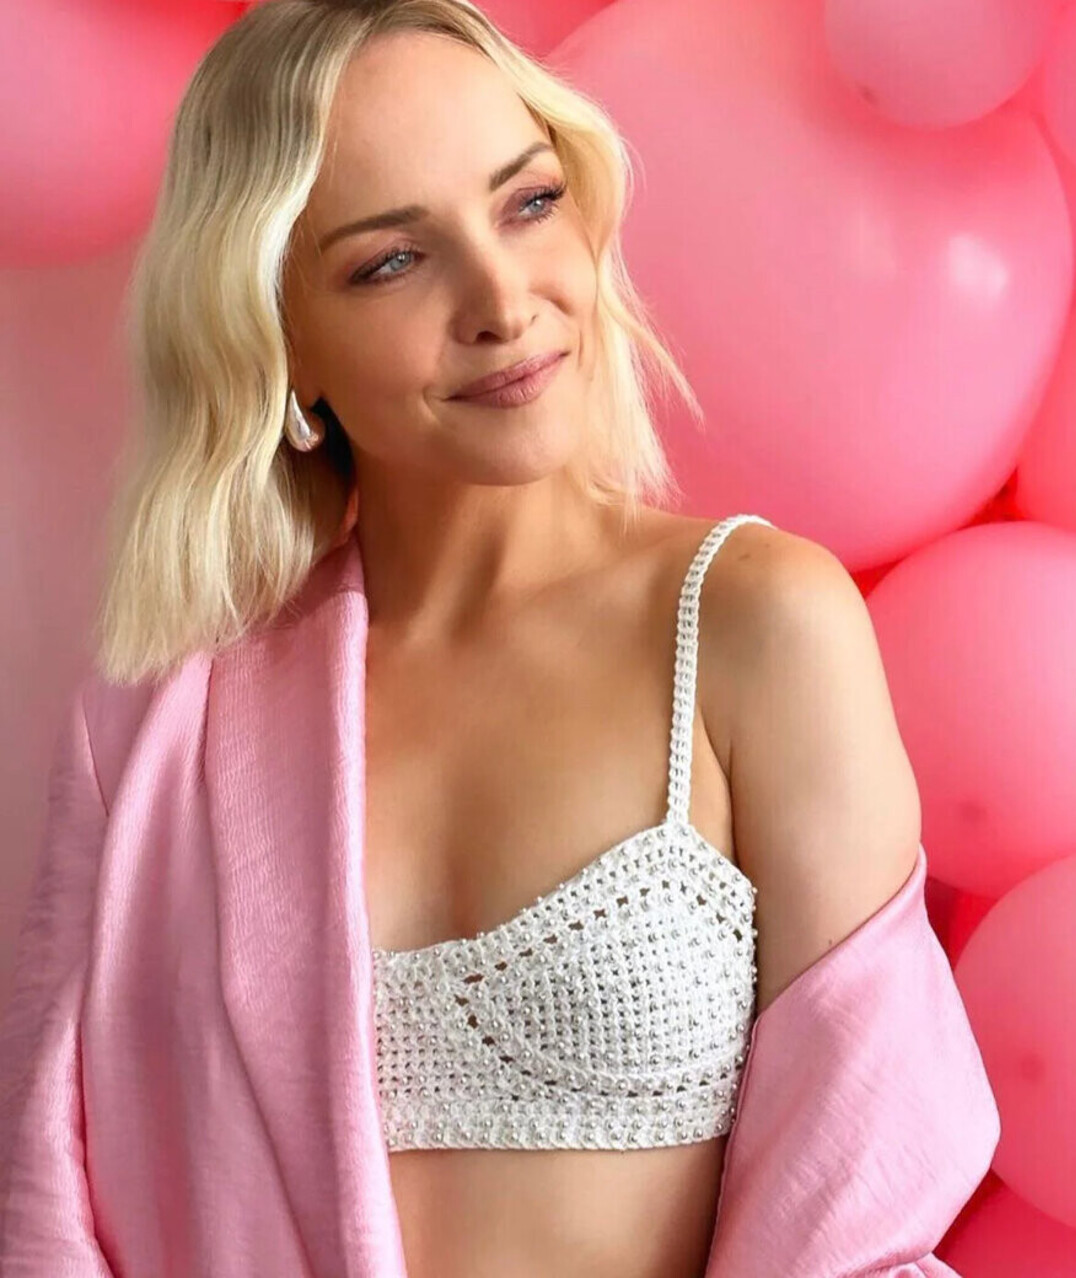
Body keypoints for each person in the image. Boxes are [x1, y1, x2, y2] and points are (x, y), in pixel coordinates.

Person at [0, 3, 998, 1276]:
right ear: (282, 342)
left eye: (528, 203)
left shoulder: (758, 624)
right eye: (390, 262)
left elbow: (860, 1198)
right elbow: (49, 1203)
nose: (502, 300)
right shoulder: (156, 727)